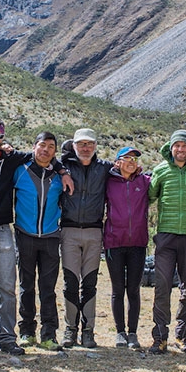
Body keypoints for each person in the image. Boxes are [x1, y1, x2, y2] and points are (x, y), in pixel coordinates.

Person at [0, 115, 72, 356]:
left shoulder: (10, 160)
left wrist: (63, 169)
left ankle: (8, 337)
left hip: (2, 229)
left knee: (8, 286)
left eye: (0, 136)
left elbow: (42, 156)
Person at [147, 129, 186, 354]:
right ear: (171, 148)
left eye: (185, 146)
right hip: (166, 235)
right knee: (162, 287)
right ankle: (160, 337)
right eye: (177, 145)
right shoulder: (160, 170)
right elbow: (149, 195)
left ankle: (183, 337)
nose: (180, 149)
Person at [59, 128, 113, 349]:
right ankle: (70, 328)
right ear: (73, 145)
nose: (85, 148)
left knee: (90, 282)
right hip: (69, 231)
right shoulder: (63, 167)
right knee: (70, 282)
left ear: (95, 146)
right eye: (81, 144)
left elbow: (130, 170)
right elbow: (41, 159)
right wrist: (62, 170)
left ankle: (88, 330)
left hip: (94, 231)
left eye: (90, 144)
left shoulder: (105, 168)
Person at [14, 132, 64, 351]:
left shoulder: (60, 176)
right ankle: (26, 331)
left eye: (51, 146)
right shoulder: (19, 171)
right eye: (42, 145)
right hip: (24, 235)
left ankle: (49, 334)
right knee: (26, 286)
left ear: (55, 151)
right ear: (34, 147)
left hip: (51, 237)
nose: (46, 150)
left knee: (48, 288)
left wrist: (65, 171)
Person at [103, 146, 150, 349]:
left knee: (133, 289)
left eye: (135, 159)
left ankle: (132, 333)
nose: (132, 162)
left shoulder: (145, 181)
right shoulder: (108, 182)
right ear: (117, 162)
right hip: (114, 242)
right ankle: (120, 332)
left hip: (138, 243)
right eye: (127, 158)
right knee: (117, 290)